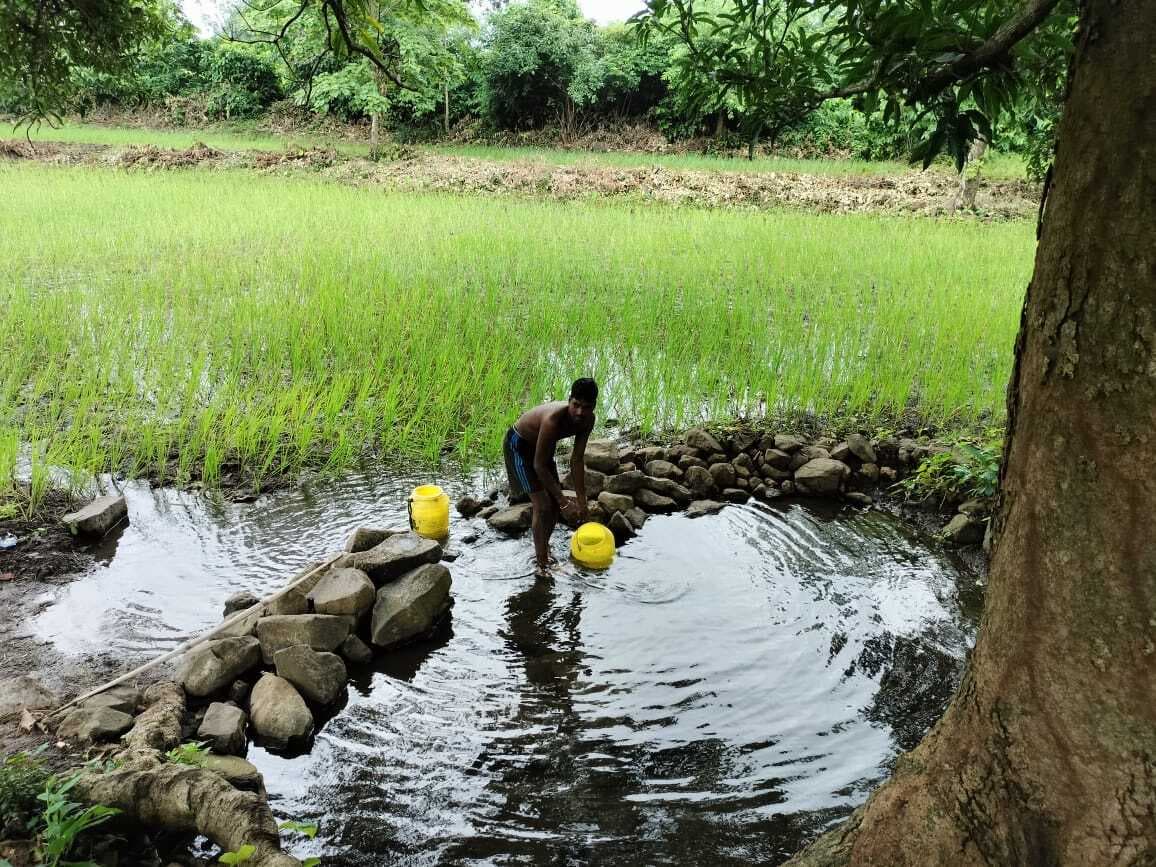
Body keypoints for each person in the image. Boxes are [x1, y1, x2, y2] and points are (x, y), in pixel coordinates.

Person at [503, 378, 598, 576]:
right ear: (569, 400)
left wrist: (582, 502)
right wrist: (564, 502)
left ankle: (544, 547)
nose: (580, 412)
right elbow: (538, 465)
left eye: (586, 407)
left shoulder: (588, 420)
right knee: (543, 505)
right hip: (519, 446)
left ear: (593, 407)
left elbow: (577, 460)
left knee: (554, 506)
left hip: (543, 449)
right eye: (576, 405)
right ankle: (542, 564)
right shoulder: (552, 420)